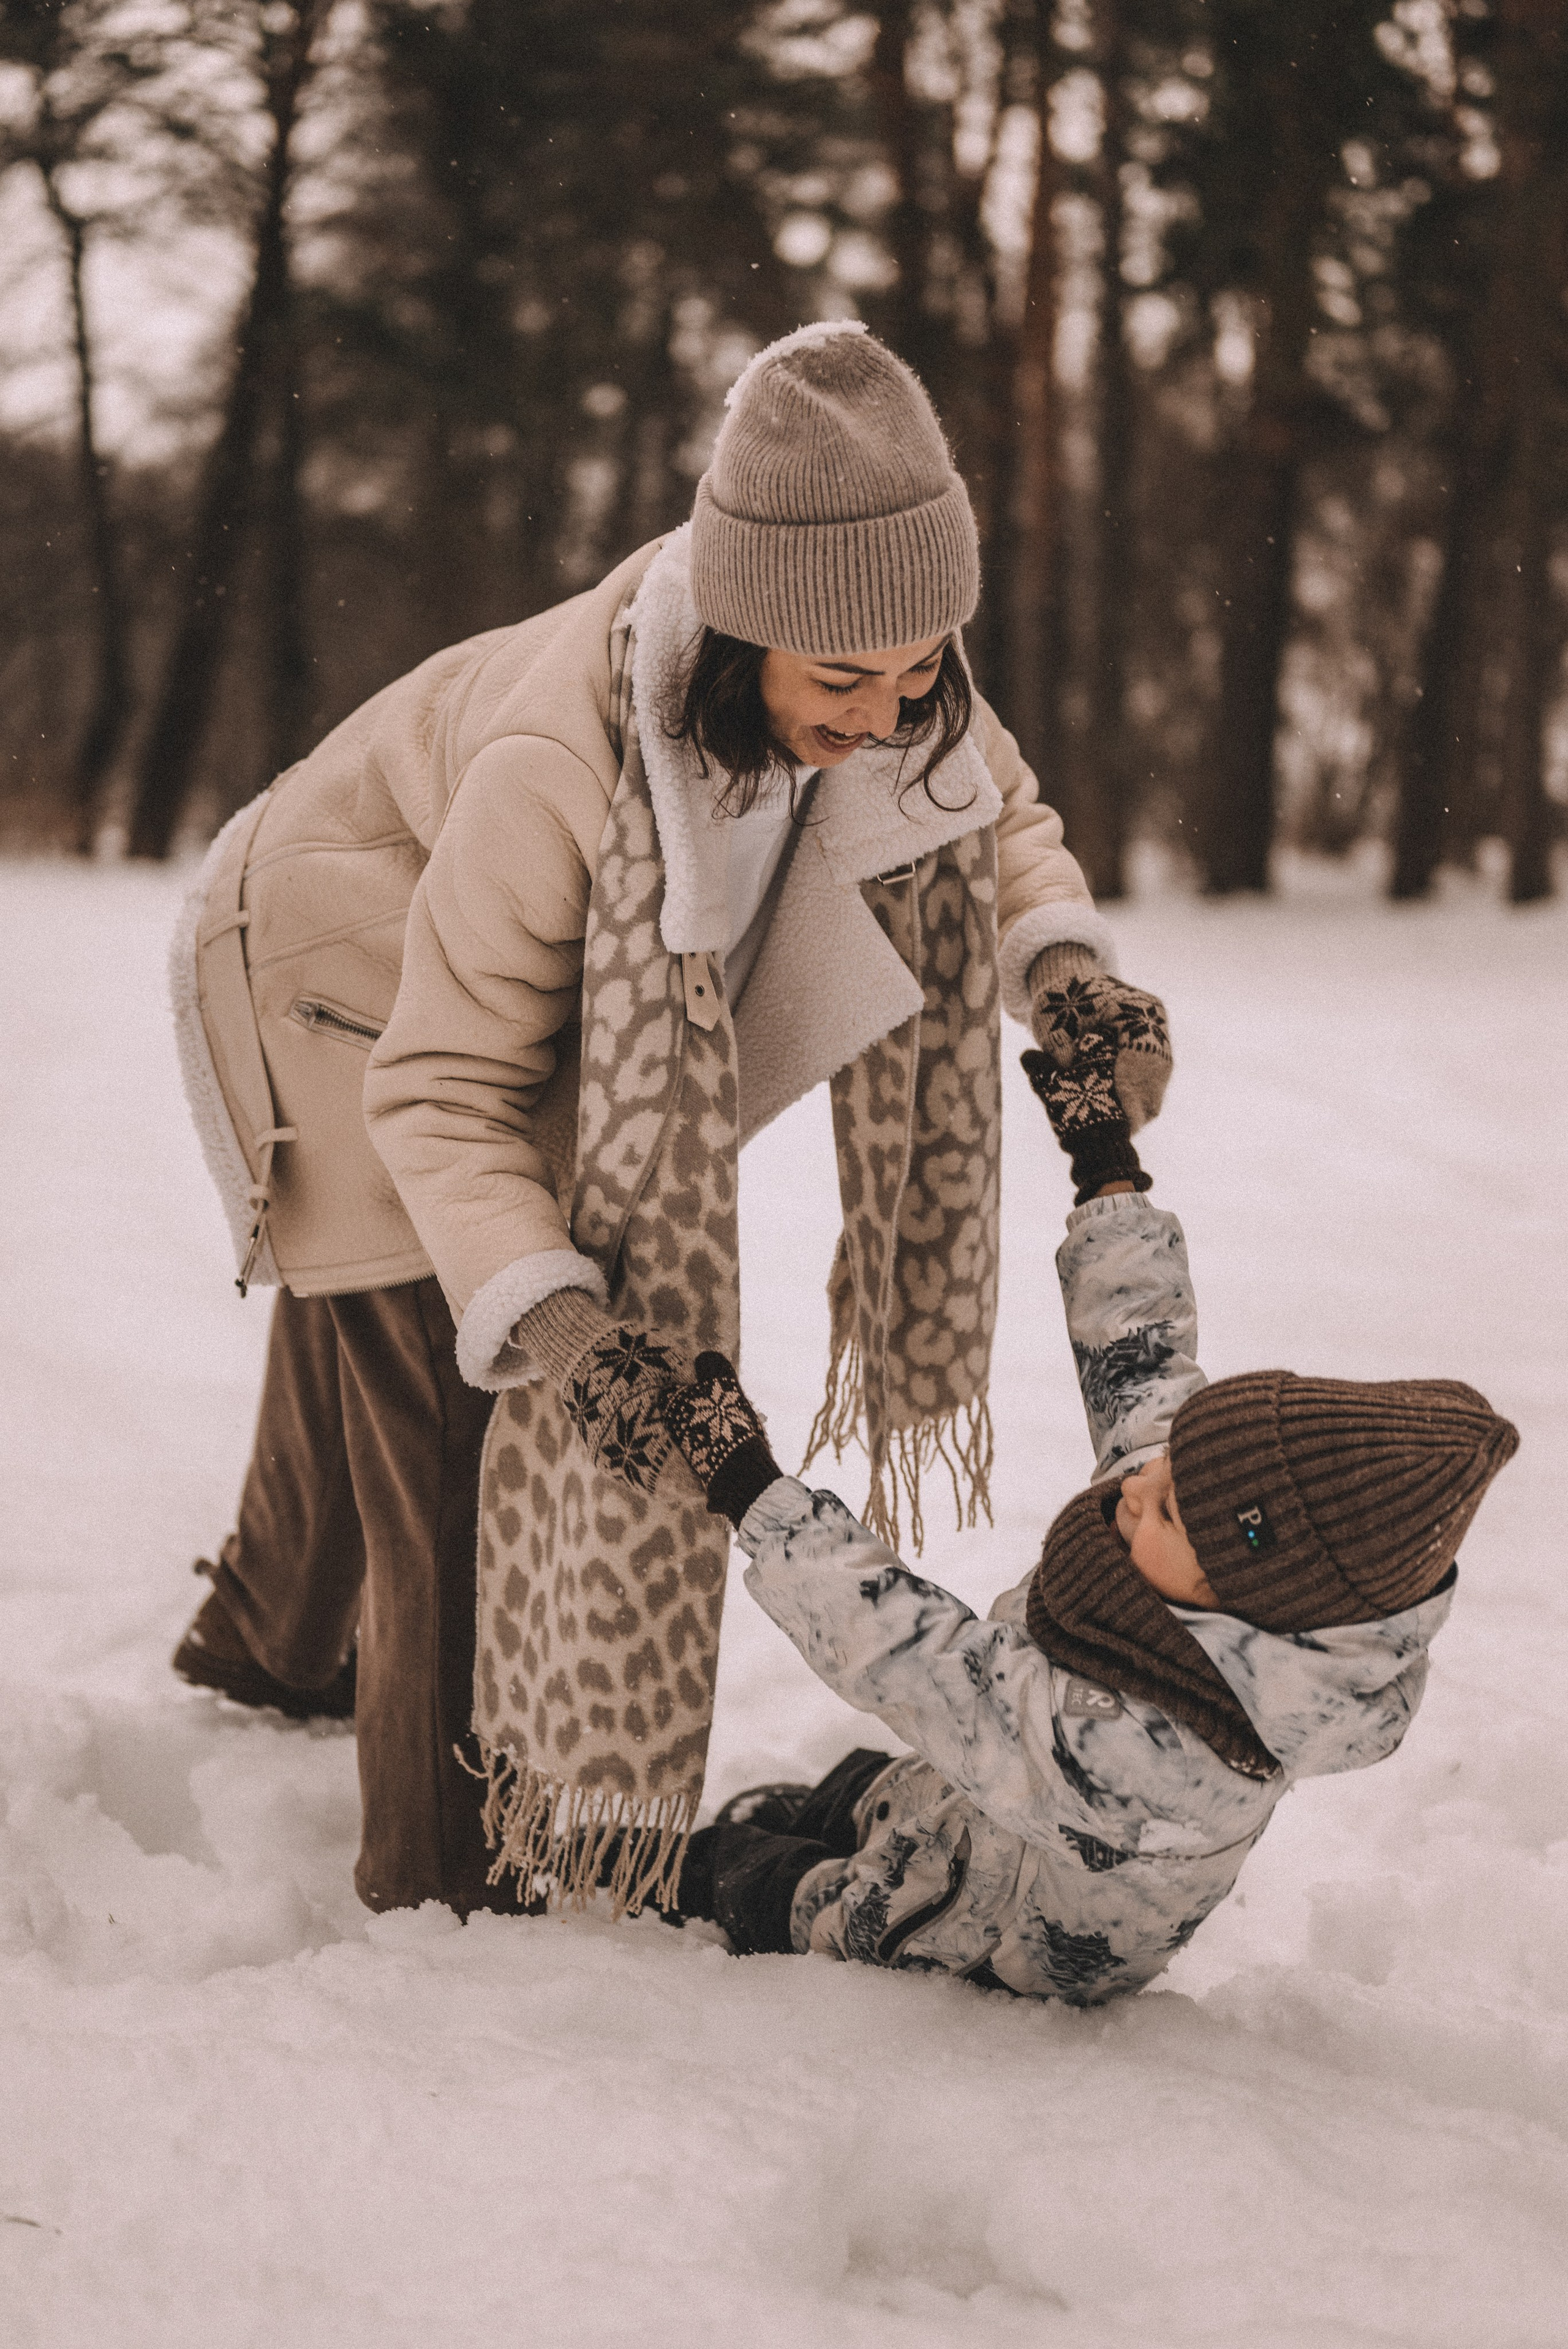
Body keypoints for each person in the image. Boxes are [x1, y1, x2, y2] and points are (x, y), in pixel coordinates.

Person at [168, 321, 1174, 1917]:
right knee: (432, 1390)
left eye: (917, 676)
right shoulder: (560, 767)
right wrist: (567, 1336)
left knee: (359, 1319)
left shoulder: (892, 677)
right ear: (741, 636)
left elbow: (1000, 825)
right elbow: (438, 1087)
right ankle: (443, 1885)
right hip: (324, 974)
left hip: (482, 986)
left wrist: (1062, 977)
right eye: (843, 680)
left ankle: (264, 1646)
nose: (883, 713)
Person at [652, 1032, 1518, 2000]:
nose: (1136, 1489)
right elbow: (1142, 1362)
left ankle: (696, 1879)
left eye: (1173, 1510)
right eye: (1176, 1465)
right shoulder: (1220, 1537)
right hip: (988, 1795)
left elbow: (922, 1661)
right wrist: (1106, 1165)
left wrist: (748, 1489)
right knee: (876, 1785)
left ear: (1257, 1602)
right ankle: (844, 1807)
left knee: (758, 1872)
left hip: (983, 1925)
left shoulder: (1151, 1750)